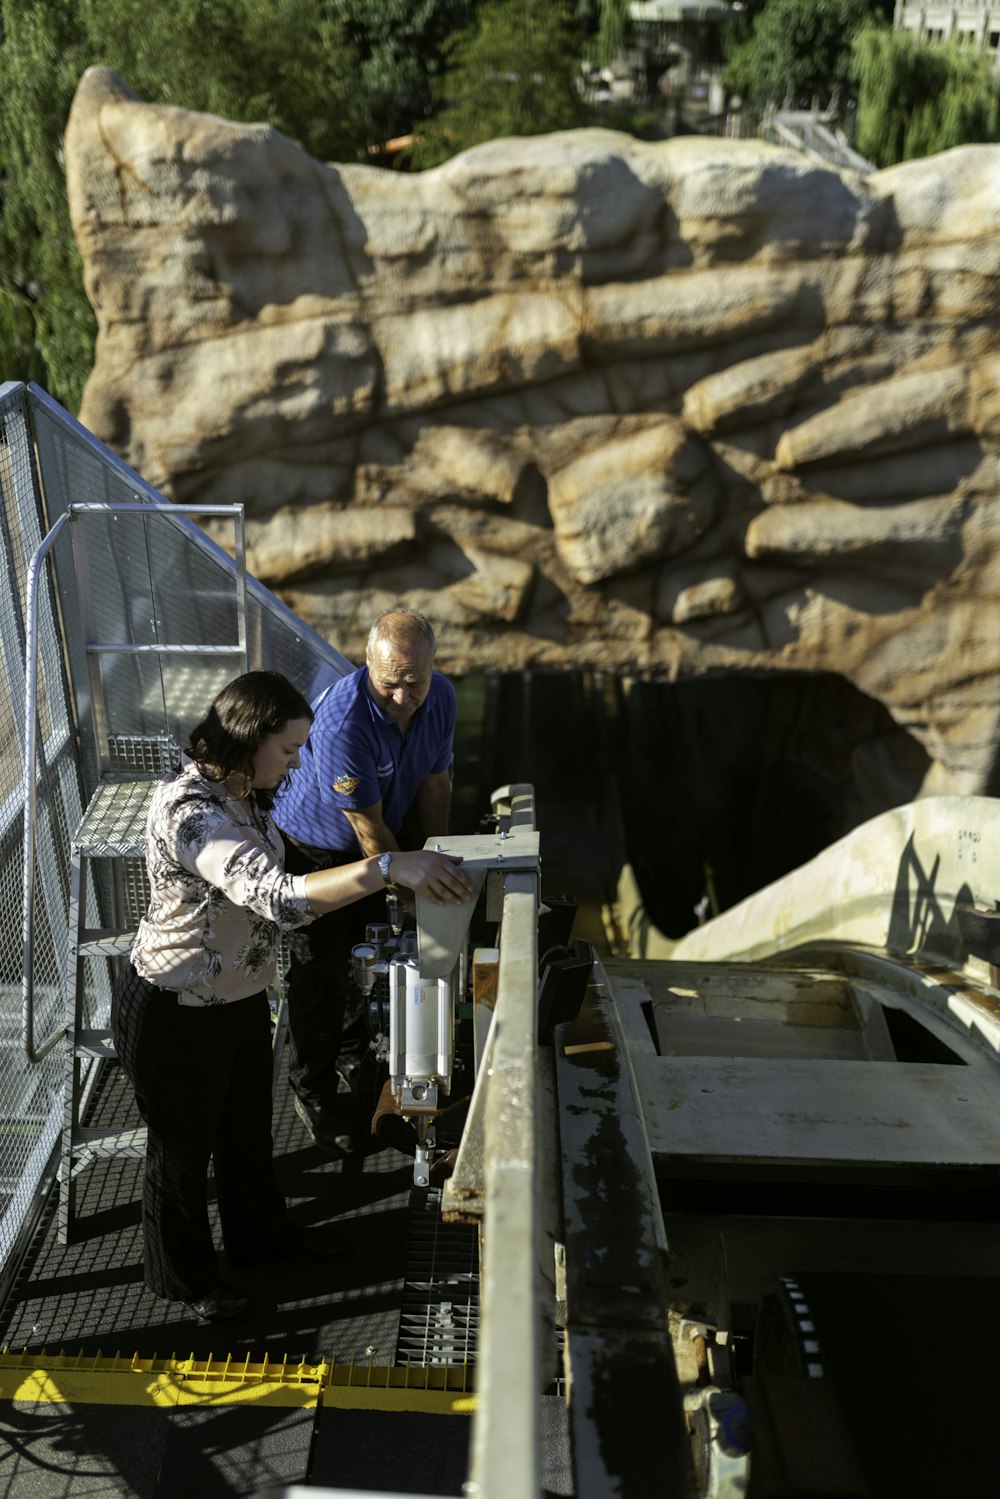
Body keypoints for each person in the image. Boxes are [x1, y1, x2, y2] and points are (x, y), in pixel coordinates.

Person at [111, 669, 472, 1325]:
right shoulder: (193, 813)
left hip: (238, 1001)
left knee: (247, 1134)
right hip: (174, 1008)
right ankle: (188, 1284)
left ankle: (261, 1241)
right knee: (181, 1156)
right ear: (250, 740)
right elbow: (273, 895)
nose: (299, 761)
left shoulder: (245, 790)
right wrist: (388, 866)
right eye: (288, 748)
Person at [273, 610, 456, 1154]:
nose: (403, 698)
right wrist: (421, 898)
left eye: (414, 683)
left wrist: (440, 861)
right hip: (319, 854)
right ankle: (314, 1092)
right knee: (321, 975)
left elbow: (436, 786)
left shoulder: (440, 698)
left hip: (386, 837)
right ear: (367, 666)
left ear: (432, 669)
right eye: (389, 684)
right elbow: (367, 831)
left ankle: (364, 1072)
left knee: (372, 966)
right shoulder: (343, 724)